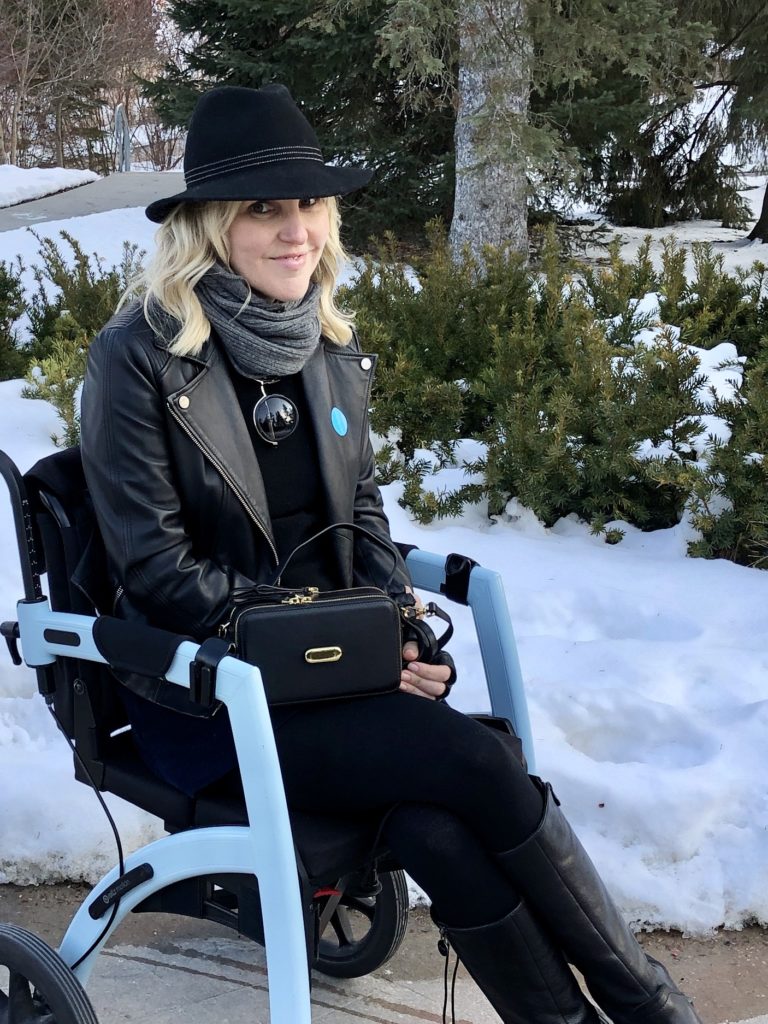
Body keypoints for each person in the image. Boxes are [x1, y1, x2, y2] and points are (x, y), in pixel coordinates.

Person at [80, 84, 703, 1024]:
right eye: (263, 207)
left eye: (308, 204)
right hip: (209, 690)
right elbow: (159, 574)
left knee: (434, 829)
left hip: (336, 668)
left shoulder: (327, 346)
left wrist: (403, 633)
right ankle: (652, 1009)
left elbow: (363, 528)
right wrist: (345, 642)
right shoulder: (136, 359)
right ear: (209, 225)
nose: (295, 230)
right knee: (483, 767)